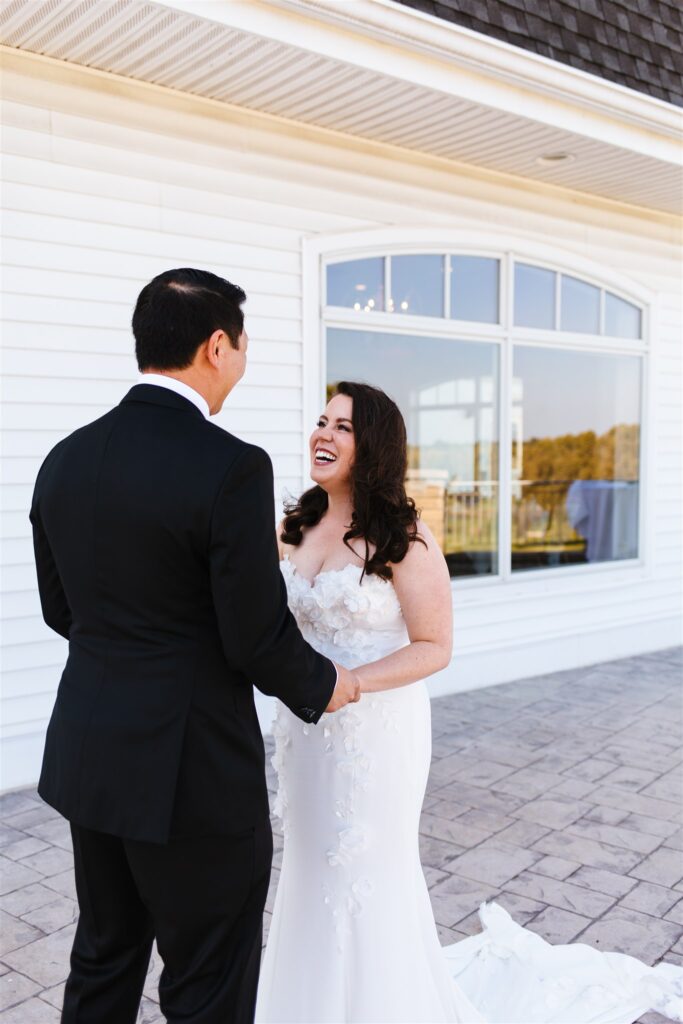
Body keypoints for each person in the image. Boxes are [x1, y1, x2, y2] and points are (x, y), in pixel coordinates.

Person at [255, 381, 683, 1024]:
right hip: (304, 732)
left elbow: (435, 646)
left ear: (372, 446)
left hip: (373, 731)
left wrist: (354, 683)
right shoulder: (297, 524)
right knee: (309, 864)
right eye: (322, 421)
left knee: (366, 867)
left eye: (343, 427)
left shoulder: (404, 535)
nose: (324, 434)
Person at [29, 268, 361, 1024]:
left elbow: (62, 610)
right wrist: (322, 683)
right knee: (207, 978)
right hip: (192, 769)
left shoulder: (65, 458)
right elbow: (253, 633)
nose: (242, 360)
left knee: (104, 955)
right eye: (242, 345)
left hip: (91, 751)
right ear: (217, 346)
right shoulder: (230, 464)